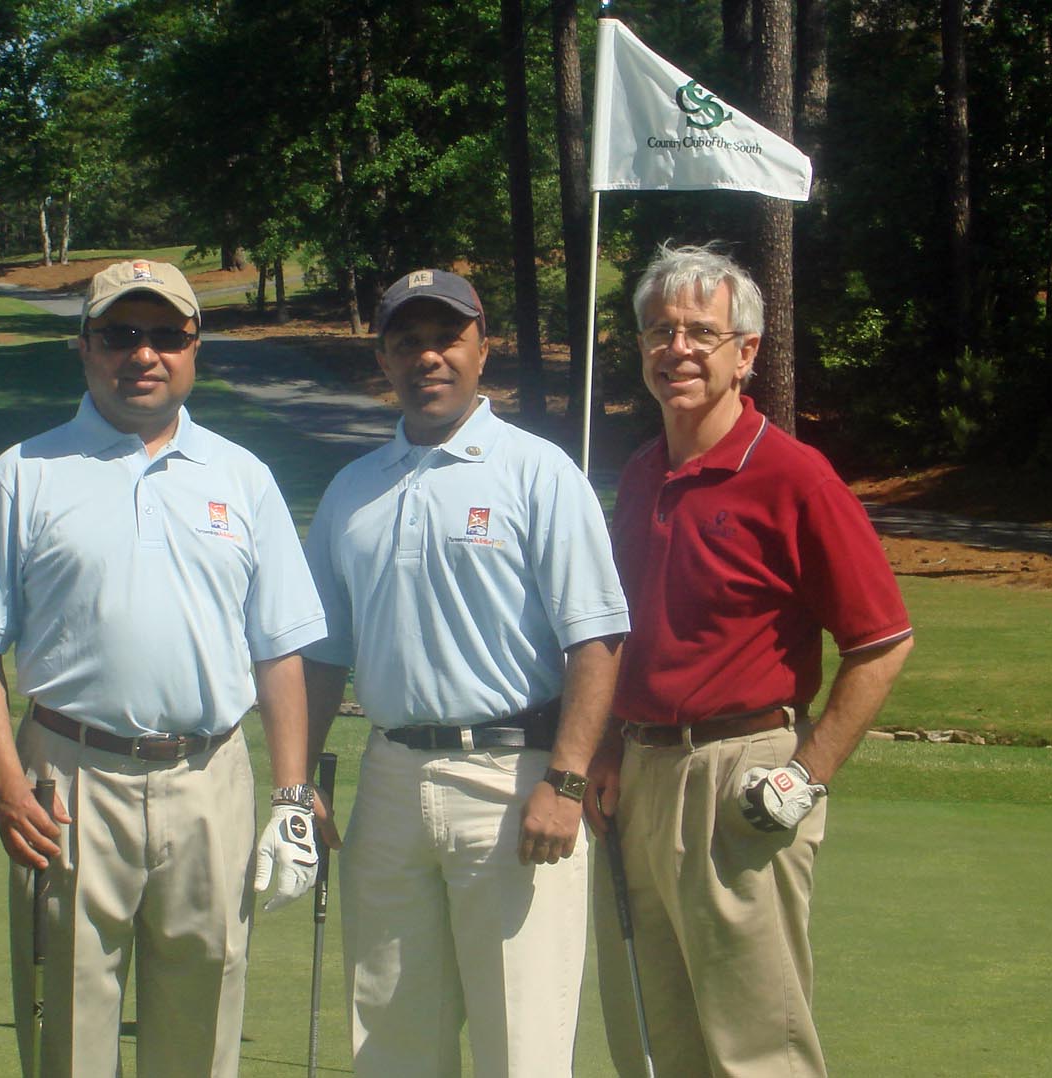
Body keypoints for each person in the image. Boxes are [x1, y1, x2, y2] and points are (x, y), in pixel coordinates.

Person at [0, 258, 327, 1078]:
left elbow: (279, 650)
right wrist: (9, 787)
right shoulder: (22, 474)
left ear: (194, 349)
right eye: (121, 334)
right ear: (84, 347)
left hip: (208, 780)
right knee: (71, 1043)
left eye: (165, 335)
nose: (142, 354)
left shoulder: (243, 478)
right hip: (67, 783)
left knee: (202, 1032)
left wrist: (291, 794)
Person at [590, 243, 914, 1078]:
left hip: (745, 773)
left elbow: (880, 642)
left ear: (746, 354)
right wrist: (598, 753)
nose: (677, 349)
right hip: (639, 771)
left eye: (702, 331)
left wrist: (806, 775)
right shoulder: (637, 475)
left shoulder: (792, 476)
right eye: (659, 330)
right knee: (657, 1042)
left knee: (757, 1047)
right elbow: (620, 637)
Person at [301, 269, 630, 1077]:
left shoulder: (536, 471)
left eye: (446, 337)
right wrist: (298, 777)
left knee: (521, 1044)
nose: (428, 357)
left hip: (514, 779)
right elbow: (319, 653)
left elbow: (596, 638)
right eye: (407, 341)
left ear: (482, 347)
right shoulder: (352, 491)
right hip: (386, 780)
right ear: (383, 356)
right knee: (390, 1036)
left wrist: (563, 778)